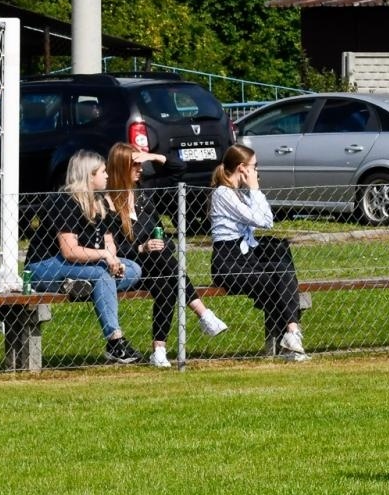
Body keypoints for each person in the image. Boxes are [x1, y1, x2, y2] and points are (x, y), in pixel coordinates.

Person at [105, 142, 227, 369]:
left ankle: (159, 352)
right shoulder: (107, 203)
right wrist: (141, 248)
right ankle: (202, 313)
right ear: (121, 167)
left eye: (141, 165)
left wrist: (152, 156)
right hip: (129, 267)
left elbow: (178, 169)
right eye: (135, 165)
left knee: (167, 283)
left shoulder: (143, 192)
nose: (140, 170)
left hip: (157, 266)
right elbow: (110, 248)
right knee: (166, 268)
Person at [26, 149, 145, 364]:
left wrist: (114, 260)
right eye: (103, 172)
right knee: (101, 275)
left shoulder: (101, 203)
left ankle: (81, 284)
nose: (107, 176)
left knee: (133, 269)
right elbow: (69, 251)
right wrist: (105, 257)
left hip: (84, 265)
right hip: (44, 266)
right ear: (89, 175)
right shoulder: (65, 201)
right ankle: (115, 341)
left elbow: (109, 242)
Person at [209, 145, 307, 362]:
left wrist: (253, 190)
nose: (257, 173)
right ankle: (292, 337)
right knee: (280, 284)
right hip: (229, 263)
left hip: (247, 258)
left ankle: (292, 335)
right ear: (242, 168)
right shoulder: (223, 194)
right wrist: (254, 188)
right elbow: (262, 220)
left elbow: (267, 220)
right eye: (254, 167)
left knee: (280, 262)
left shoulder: (239, 194)